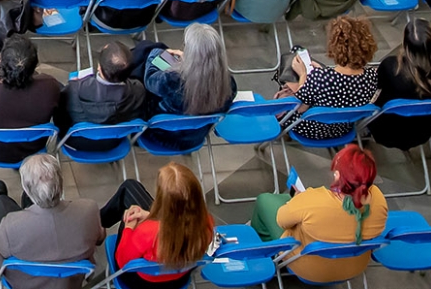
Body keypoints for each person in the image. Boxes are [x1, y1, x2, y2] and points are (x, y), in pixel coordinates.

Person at [250, 145, 389, 283]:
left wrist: (299, 200)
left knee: (265, 201)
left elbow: (282, 221)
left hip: (310, 269)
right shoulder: (378, 199)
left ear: (338, 175)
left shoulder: (314, 200)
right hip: (355, 267)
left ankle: (263, 252)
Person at [0, 153, 105, 289]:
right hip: (69, 283)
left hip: (23, 283)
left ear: (27, 189)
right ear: (61, 183)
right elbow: (99, 238)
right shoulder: (89, 210)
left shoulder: (10, 226)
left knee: (0, 202)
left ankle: (1, 199)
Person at [106, 161, 217, 288]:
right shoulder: (206, 222)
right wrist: (149, 215)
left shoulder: (146, 232)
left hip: (141, 282)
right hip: (179, 278)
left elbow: (123, 262)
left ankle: (96, 222)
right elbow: (179, 225)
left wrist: (128, 227)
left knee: (129, 213)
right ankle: (97, 220)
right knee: (130, 187)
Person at [277, 16, 379, 142]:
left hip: (310, 128)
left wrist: (304, 74)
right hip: (342, 128)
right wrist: (321, 70)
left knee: (292, 64)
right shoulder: (372, 77)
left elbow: (299, 108)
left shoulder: (319, 78)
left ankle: (283, 130)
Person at [368, 18, 431, 152]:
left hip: (386, 131)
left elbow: (375, 89)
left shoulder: (391, 67)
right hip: (423, 132)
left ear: (406, 46)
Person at [142, 23, 235, 116]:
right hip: (200, 128)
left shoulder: (171, 80)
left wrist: (157, 52)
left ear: (190, 52)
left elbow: (149, 79)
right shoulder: (229, 84)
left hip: (167, 125)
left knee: (149, 49)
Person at [65, 41, 149, 127]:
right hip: (116, 138)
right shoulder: (139, 90)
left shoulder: (75, 89)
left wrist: (75, 84)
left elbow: (60, 117)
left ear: (99, 67)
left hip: (77, 138)